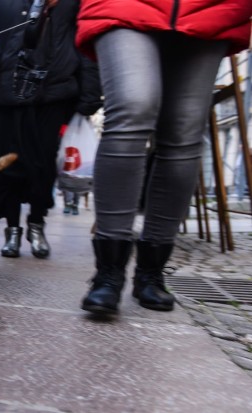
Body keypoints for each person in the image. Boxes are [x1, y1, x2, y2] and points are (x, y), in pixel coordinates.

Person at [77, 0, 252, 315]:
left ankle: (151, 272)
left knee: (184, 131)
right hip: (124, 6)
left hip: (212, 8)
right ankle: (109, 271)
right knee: (132, 106)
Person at [0, 0, 101, 259]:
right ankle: (13, 228)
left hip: (54, 93)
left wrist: (90, 93)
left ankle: (37, 224)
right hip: (6, 92)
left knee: (42, 165)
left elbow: (86, 42)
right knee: (7, 166)